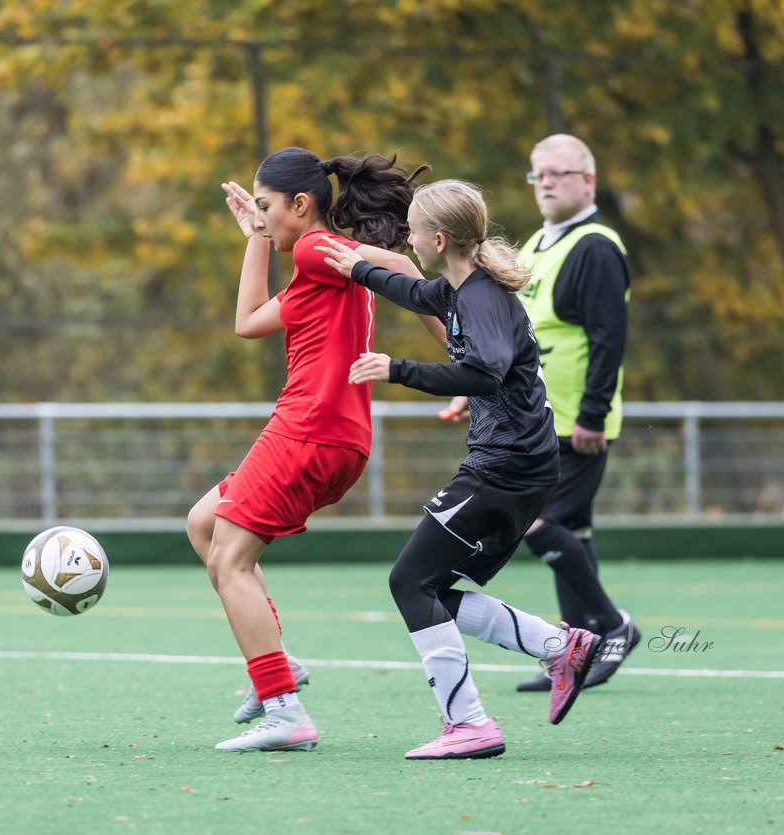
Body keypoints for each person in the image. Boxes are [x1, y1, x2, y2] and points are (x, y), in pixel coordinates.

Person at [316, 179, 602, 760]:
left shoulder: (478, 299)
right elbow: (415, 292)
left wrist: (397, 369)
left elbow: (486, 373)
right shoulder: (461, 287)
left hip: (505, 470)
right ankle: (558, 645)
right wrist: (357, 269)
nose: (407, 239)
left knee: (408, 582)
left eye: (414, 231)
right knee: (432, 590)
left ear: (439, 238)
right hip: (520, 468)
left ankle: (468, 723)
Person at [185, 146, 433, 754]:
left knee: (229, 561)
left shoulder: (317, 249)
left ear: (302, 205)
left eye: (266, 206)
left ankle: (284, 710)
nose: (262, 216)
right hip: (336, 441)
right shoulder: (312, 271)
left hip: (308, 431)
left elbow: (404, 267)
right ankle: (280, 663)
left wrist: (458, 336)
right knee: (202, 524)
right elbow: (246, 321)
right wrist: (254, 236)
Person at [441, 133, 640, 692]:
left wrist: (594, 416)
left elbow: (608, 339)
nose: (547, 182)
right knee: (570, 528)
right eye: (538, 174)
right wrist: (473, 389)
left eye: (559, 173)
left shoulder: (596, 246)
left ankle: (611, 625)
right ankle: (574, 651)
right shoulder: (535, 245)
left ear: (588, 181)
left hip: (575, 422)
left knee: (538, 523)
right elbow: (505, 336)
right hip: (533, 419)